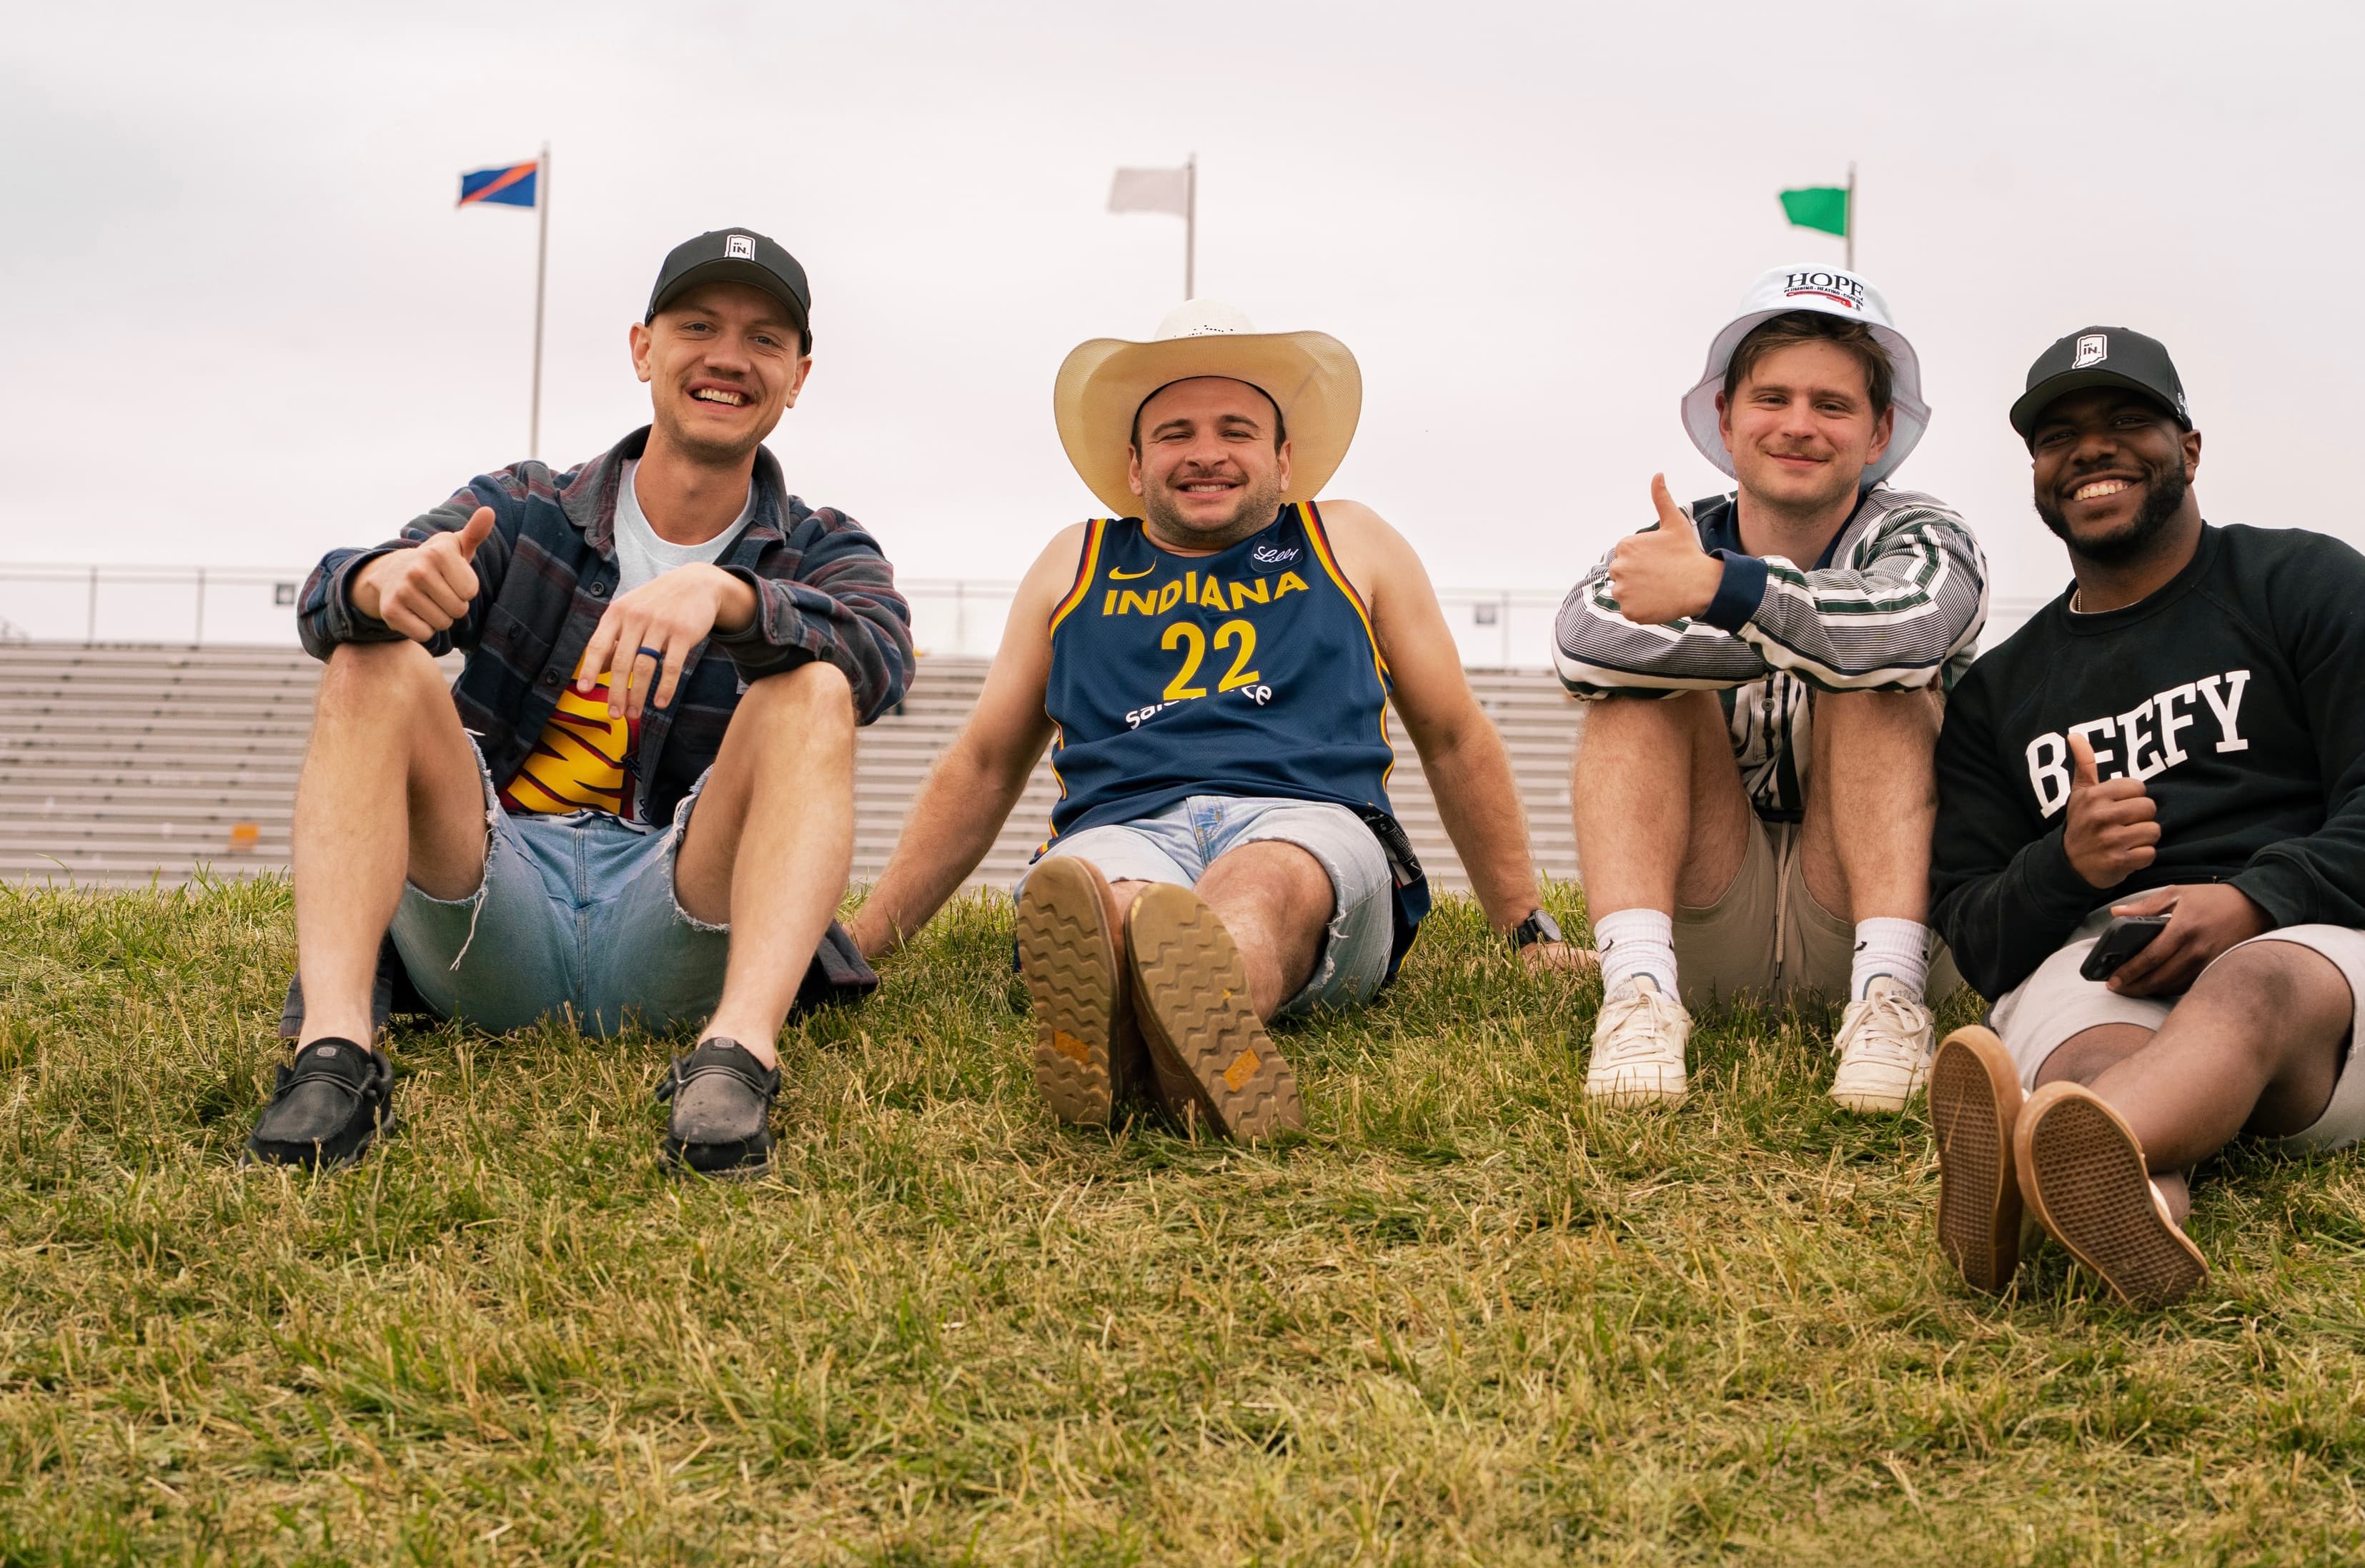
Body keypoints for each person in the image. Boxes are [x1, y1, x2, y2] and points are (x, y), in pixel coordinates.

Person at [247, 229, 911, 1176]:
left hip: (674, 915)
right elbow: (340, 591)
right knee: (370, 660)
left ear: (798, 375)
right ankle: (337, 1052)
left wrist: (729, 599)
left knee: (811, 683)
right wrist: (382, 584)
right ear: (643, 348)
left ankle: (738, 1055)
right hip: (493, 902)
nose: (729, 356)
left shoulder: (817, 543)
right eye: (698, 326)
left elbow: (879, 659)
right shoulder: (526, 504)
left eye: (765, 339)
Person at [848, 300, 1577, 1143]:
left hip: (1307, 820)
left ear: (1284, 456)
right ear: (1134, 464)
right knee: (1108, 897)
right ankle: (1164, 1026)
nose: (1205, 453)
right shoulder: (1074, 560)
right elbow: (983, 764)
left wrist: (1527, 929)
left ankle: (1157, 1016)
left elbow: (1453, 735)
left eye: (1235, 429)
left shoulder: (1348, 540)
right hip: (1120, 823)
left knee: (1264, 883)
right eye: (1174, 433)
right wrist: (860, 944)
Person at [1926, 327, 2365, 1309]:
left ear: (2191, 449)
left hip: (2313, 956)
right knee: (2090, 1064)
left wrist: (2252, 901)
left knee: (2247, 986)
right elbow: (1976, 932)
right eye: (2060, 434)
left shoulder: (2306, 586)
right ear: (2037, 471)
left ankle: (2010, 1170)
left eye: (2129, 420)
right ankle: (2149, 1210)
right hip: (2103, 959)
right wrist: (2068, 868)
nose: (2092, 449)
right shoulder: (2000, 692)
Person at [1553, 265, 1988, 1110]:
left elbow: (1910, 631)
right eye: (1773, 399)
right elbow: (1582, 642)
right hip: (1719, 911)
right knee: (1634, 692)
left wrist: (1729, 600)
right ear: (1725, 417)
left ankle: (1890, 1000)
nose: (1799, 426)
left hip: (1872, 906)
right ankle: (1639, 994)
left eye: (1832, 406)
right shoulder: (1677, 537)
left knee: (1876, 676)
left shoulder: (1924, 531)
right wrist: (1790, 632)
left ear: (1878, 433)